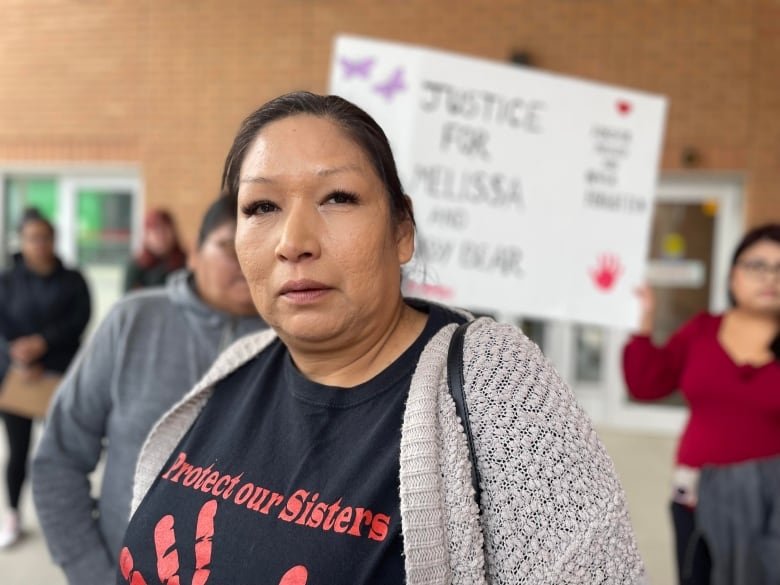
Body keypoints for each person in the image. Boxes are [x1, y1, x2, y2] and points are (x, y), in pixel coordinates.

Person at [120, 92, 645, 585]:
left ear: (402, 231)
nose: (294, 242)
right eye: (261, 207)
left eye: (338, 198)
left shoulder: (493, 383)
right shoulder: (237, 365)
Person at [32, 195, 266, 584]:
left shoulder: (297, 344)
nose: (246, 262)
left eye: (260, 248)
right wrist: (91, 573)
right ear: (193, 254)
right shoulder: (133, 321)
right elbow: (59, 458)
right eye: (230, 246)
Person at [623, 224, 780, 585]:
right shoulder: (702, 330)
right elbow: (646, 384)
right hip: (695, 503)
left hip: (771, 512)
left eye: (779, 267)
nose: (769, 277)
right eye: (757, 265)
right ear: (733, 276)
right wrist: (643, 323)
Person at [0, 208, 91, 548]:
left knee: (61, 452)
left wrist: (43, 346)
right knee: (18, 451)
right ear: (22, 242)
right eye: (32, 238)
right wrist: (19, 357)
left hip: (58, 376)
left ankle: (67, 522)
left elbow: (79, 323)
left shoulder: (73, 280)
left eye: (46, 237)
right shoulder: (7, 280)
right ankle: (12, 515)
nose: (40, 244)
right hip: (18, 379)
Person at [123, 208, 187, 291]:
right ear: (146, 235)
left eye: (164, 230)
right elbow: (127, 299)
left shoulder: (186, 262)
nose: (161, 236)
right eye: (155, 231)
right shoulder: (137, 265)